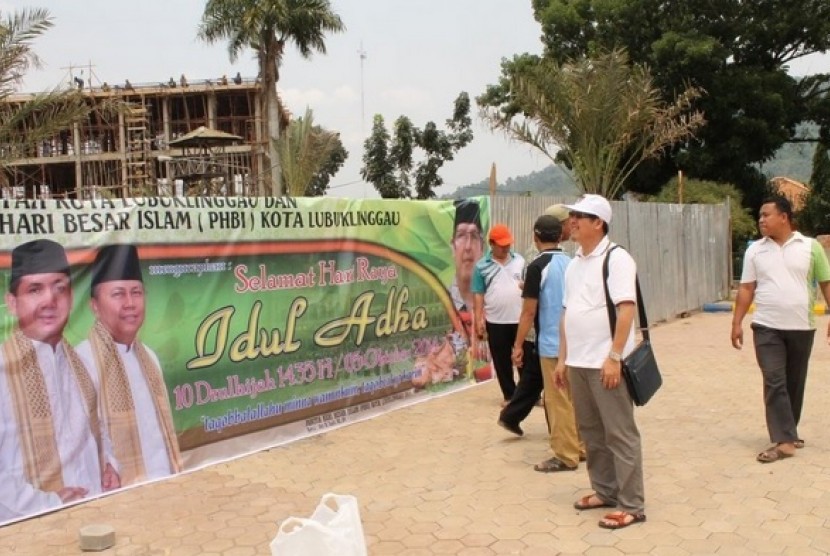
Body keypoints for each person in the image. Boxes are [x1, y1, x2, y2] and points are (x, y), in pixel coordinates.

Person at [0, 239, 119, 522]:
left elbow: (99, 429)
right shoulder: (3, 371)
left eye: (59, 287)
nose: (50, 300)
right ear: (12, 303)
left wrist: (109, 464)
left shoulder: (83, 362)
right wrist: (48, 503)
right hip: (29, 527)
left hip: (95, 516)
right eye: (34, 289)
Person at [554, 194, 646, 530]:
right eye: (572, 215)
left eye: (581, 215)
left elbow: (626, 309)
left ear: (599, 223)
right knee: (591, 432)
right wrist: (563, 360)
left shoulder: (617, 259)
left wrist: (614, 357)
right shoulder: (574, 263)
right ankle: (605, 490)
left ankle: (632, 505)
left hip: (605, 363)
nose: (573, 220)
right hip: (579, 363)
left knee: (619, 433)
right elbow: (567, 313)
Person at [731, 195, 830, 463]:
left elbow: (826, 283)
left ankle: (790, 431)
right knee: (774, 380)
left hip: (801, 326)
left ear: (784, 217)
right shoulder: (755, 250)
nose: (761, 219)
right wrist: (736, 322)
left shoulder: (811, 247)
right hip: (766, 327)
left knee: (793, 383)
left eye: (766, 215)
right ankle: (785, 441)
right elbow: (746, 287)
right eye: (760, 215)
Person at [76, 244, 183, 486]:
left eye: (136, 292)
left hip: (165, 484)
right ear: (94, 305)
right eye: (117, 294)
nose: (130, 303)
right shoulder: (81, 361)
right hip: (117, 496)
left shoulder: (149, 358)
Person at [499, 214, 583, 475]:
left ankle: (565, 455)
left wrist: (518, 345)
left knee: (556, 401)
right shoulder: (572, 263)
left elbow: (528, 312)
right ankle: (580, 446)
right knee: (573, 399)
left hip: (550, 344)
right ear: (561, 236)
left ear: (535, 238)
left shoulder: (537, 267)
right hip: (575, 342)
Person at [472, 223, 525, 404]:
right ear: (492, 243)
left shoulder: (520, 261)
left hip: (520, 319)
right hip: (495, 321)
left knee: (525, 360)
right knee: (502, 362)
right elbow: (478, 294)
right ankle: (510, 395)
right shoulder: (481, 267)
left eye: (508, 244)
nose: (505, 248)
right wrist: (479, 319)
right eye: (501, 245)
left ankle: (528, 396)